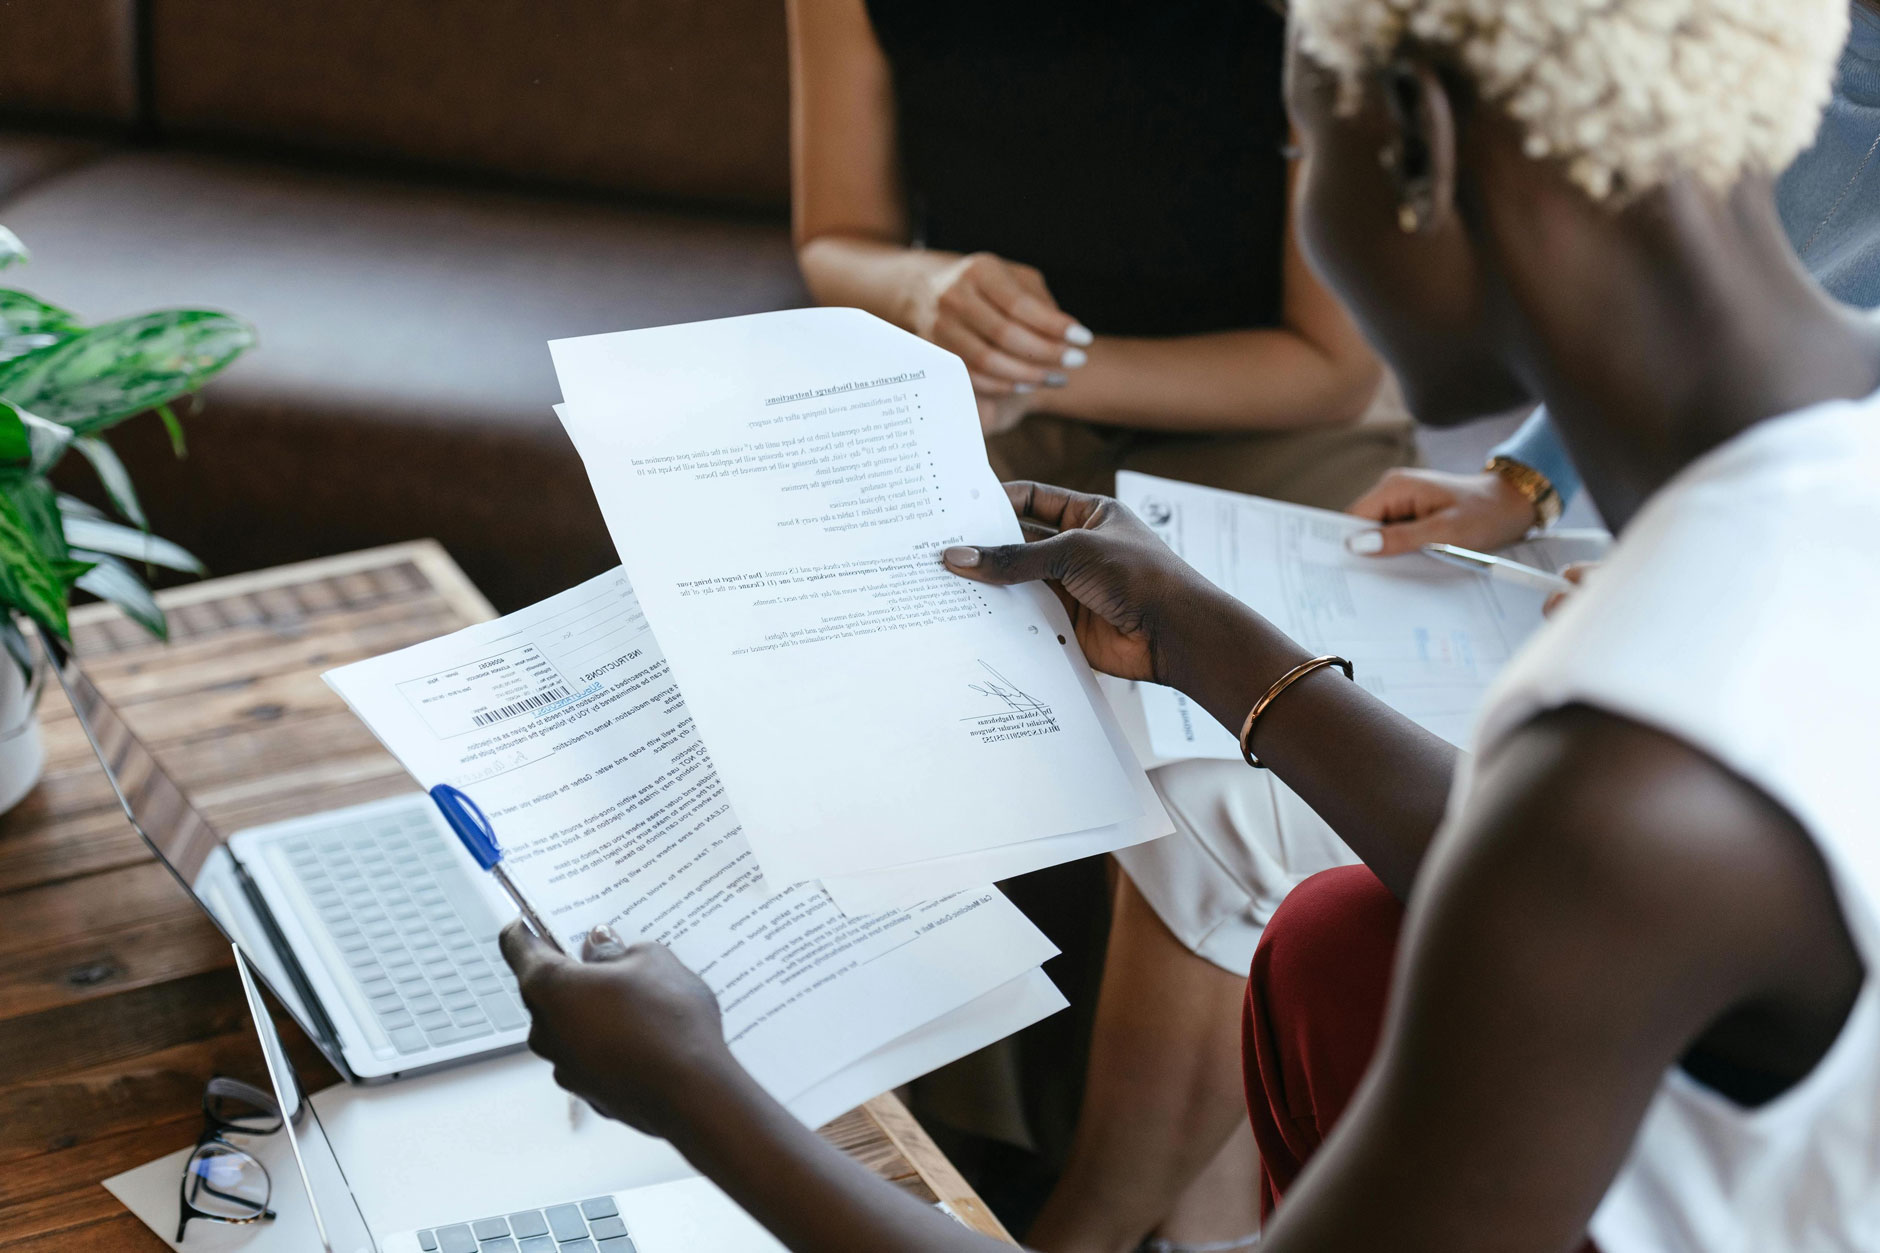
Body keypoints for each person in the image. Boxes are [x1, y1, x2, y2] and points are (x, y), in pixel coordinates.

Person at [503, 2, 1880, 1251]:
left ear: (1416, 146)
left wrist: (694, 1089)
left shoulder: (1639, 782)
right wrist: (1201, 630)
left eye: (1298, 135)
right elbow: (1544, 882)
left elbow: (1575, 874)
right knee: (1337, 923)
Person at [789, 5, 1411, 1247]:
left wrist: (1051, 365)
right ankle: (981, 1155)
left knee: (1207, 751)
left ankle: (1104, 1217)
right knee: (881, 643)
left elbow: (1331, 367)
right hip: (1011, 410)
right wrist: (925, 285)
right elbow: (833, 240)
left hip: (1270, 418)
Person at [1345, 0, 1880, 557]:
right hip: (1683, 510)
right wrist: (1528, 478)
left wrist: (1717, 567)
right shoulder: (1770, 31)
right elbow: (1670, 280)